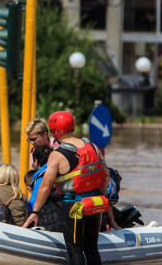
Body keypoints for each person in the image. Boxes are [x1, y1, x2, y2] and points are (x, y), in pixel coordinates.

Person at [23, 111, 110, 265]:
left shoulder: (57, 154)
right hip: (95, 203)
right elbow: (106, 176)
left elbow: (45, 187)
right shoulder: (92, 146)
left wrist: (35, 212)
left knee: (75, 249)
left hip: (73, 206)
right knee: (91, 248)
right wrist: (99, 196)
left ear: (54, 131)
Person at [27, 144, 63, 232]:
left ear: (35, 161)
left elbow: (33, 203)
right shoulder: (60, 172)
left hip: (49, 223)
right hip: (63, 218)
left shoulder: (41, 178)